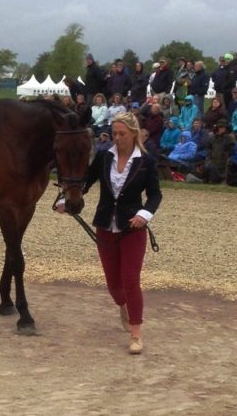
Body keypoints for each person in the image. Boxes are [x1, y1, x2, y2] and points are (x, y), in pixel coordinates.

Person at [57, 111, 161, 355]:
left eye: (122, 134)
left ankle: (136, 333)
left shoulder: (146, 162)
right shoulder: (104, 157)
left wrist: (144, 214)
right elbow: (86, 182)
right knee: (114, 285)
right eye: (114, 133)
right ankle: (121, 305)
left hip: (132, 228)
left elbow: (155, 194)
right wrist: (68, 201)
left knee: (130, 279)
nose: (117, 138)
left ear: (134, 134)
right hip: (105, 227)